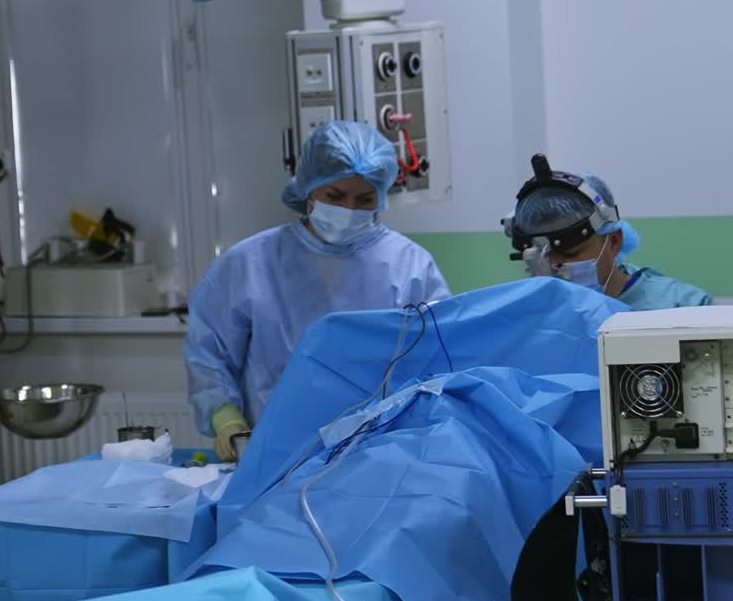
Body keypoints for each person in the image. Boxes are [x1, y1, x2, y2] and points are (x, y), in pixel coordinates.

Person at [185, 120, 451, 458]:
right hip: (276, 452)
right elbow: (209, 352)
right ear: (309, 188)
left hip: (381, 451)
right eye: (335, 196)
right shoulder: (250, 263)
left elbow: (440, 358)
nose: (349, 210)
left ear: (381, 197)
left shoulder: (410, 266)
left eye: (364, 198)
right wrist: (225, 421)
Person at [504, 156, 713, 309]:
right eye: (542, 256)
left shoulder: (684, 307)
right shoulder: (528, 315)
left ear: (613, 241)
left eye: (570, 254)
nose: (553, 267)